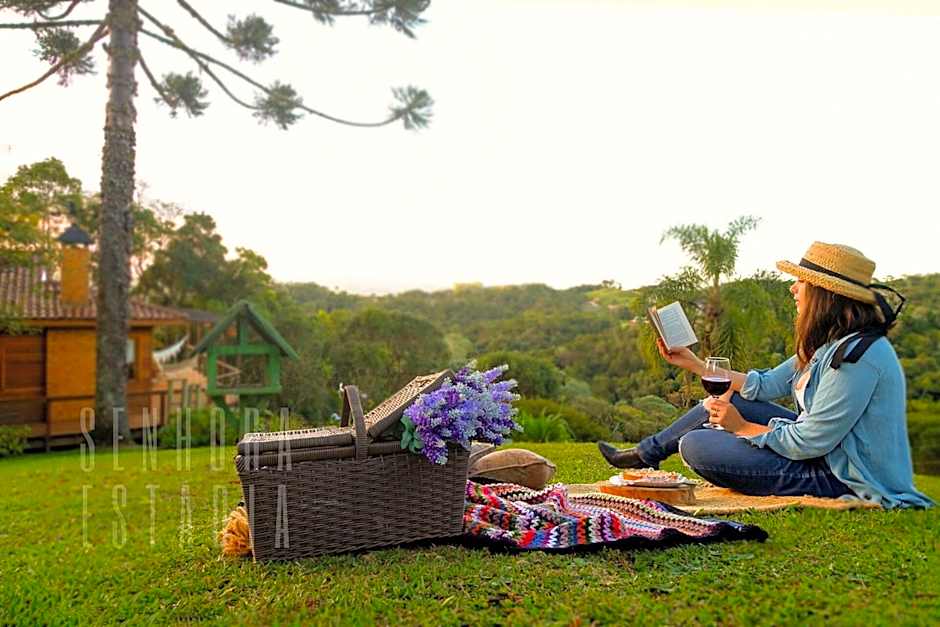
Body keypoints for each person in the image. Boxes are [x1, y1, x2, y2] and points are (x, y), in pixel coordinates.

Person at [598, 242, 933, 509]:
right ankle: (646, 455)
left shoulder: (856, 357)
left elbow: (811, 441)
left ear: (825, 294)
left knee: (696, 444)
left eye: (801, 281)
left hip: (841, 475)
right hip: (823, 453)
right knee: (727, 399)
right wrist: (697, 365)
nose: (793, 289)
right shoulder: (830, 344)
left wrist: (741, 428)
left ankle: (650, 455)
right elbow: (766, 384)